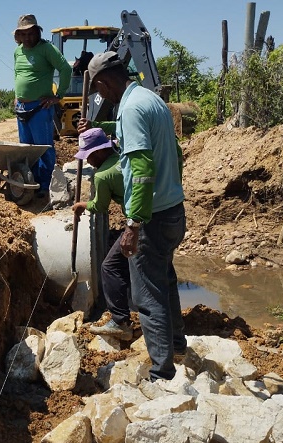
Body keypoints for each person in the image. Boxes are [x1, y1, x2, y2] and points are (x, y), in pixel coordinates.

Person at [78, 51, 187, 382]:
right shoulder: (148, 99)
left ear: (103, 82)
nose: (100, 97)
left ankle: (161, 375)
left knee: (146, 298)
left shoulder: (132, 108)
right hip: (172, 208)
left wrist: (132, 225)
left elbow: (139, 171)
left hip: (151, 216)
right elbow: (133, 134)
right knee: (164, 282)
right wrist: (98, 125)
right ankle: (177, 346)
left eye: (99, 91)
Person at [71, 128, 134, 342]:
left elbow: (100, 206)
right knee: (130, 264)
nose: (87, 162)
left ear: (97, 153)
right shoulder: (123, 158)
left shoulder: (102, 175)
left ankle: (120, 322)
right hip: (155, 216)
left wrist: (81, 205)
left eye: (88, 156)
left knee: (110, 266)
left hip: (137, 222)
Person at [13, 14, 72, 198]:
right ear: (18, 36)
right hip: (22, 108)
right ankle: (32, 181)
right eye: (24, 34)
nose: (28, 38)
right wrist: (17, 97)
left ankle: (45, 186)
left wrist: (58, 96)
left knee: (44, 148)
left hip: (40, 107)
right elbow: (17, 75)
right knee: (26, 149)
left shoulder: (47, 49)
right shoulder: (18, 52)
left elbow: (66, 69)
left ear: (37, 32)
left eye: (31, 33)